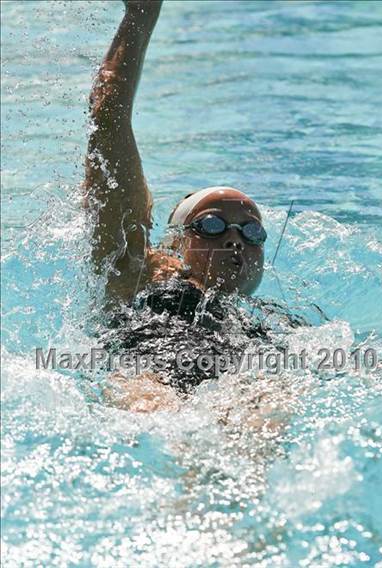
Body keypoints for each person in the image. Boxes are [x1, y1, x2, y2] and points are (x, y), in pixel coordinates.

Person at [84, 0, 273, 413]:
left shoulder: (267, 324)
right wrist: (141, 14)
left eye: (252, 231)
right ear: (174, 245)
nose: (234, 238)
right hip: (148, 378)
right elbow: (108, 120)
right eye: (211, 226)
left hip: (240, 384)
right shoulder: (139, 270)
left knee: (264, 412)